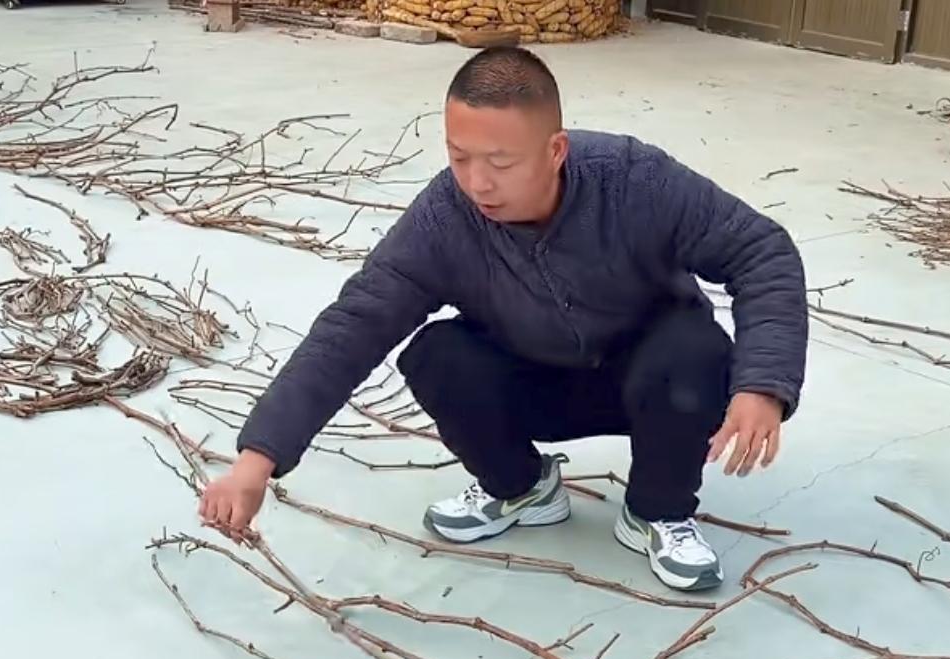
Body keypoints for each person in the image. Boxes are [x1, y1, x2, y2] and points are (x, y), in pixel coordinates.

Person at [200, 48, 808, 592]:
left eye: (500, 161)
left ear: (555, 150)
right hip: (535, 379)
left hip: (656, 385)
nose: (477, 182)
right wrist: (257, 461)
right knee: (436, 353)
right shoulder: (442, 218)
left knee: (695, 348)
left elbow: (761, 250)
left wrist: (762, 386)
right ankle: (521, 488)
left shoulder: (634, 179)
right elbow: (352, 327)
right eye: (459, 156)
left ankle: (658, 511)